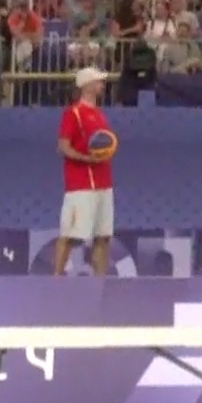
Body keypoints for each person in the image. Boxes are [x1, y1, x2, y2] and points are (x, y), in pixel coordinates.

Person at [53, 66, 116, 276]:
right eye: (98, 81)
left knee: (103, 236)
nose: (102, 85)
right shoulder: (73, 113)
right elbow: (63, 147)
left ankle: (101, 283)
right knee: (70, 235)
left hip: (104, 182)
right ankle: (55, 281)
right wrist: (87, 158)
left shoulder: (99, 114)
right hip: (81, 185)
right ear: (86, 85)